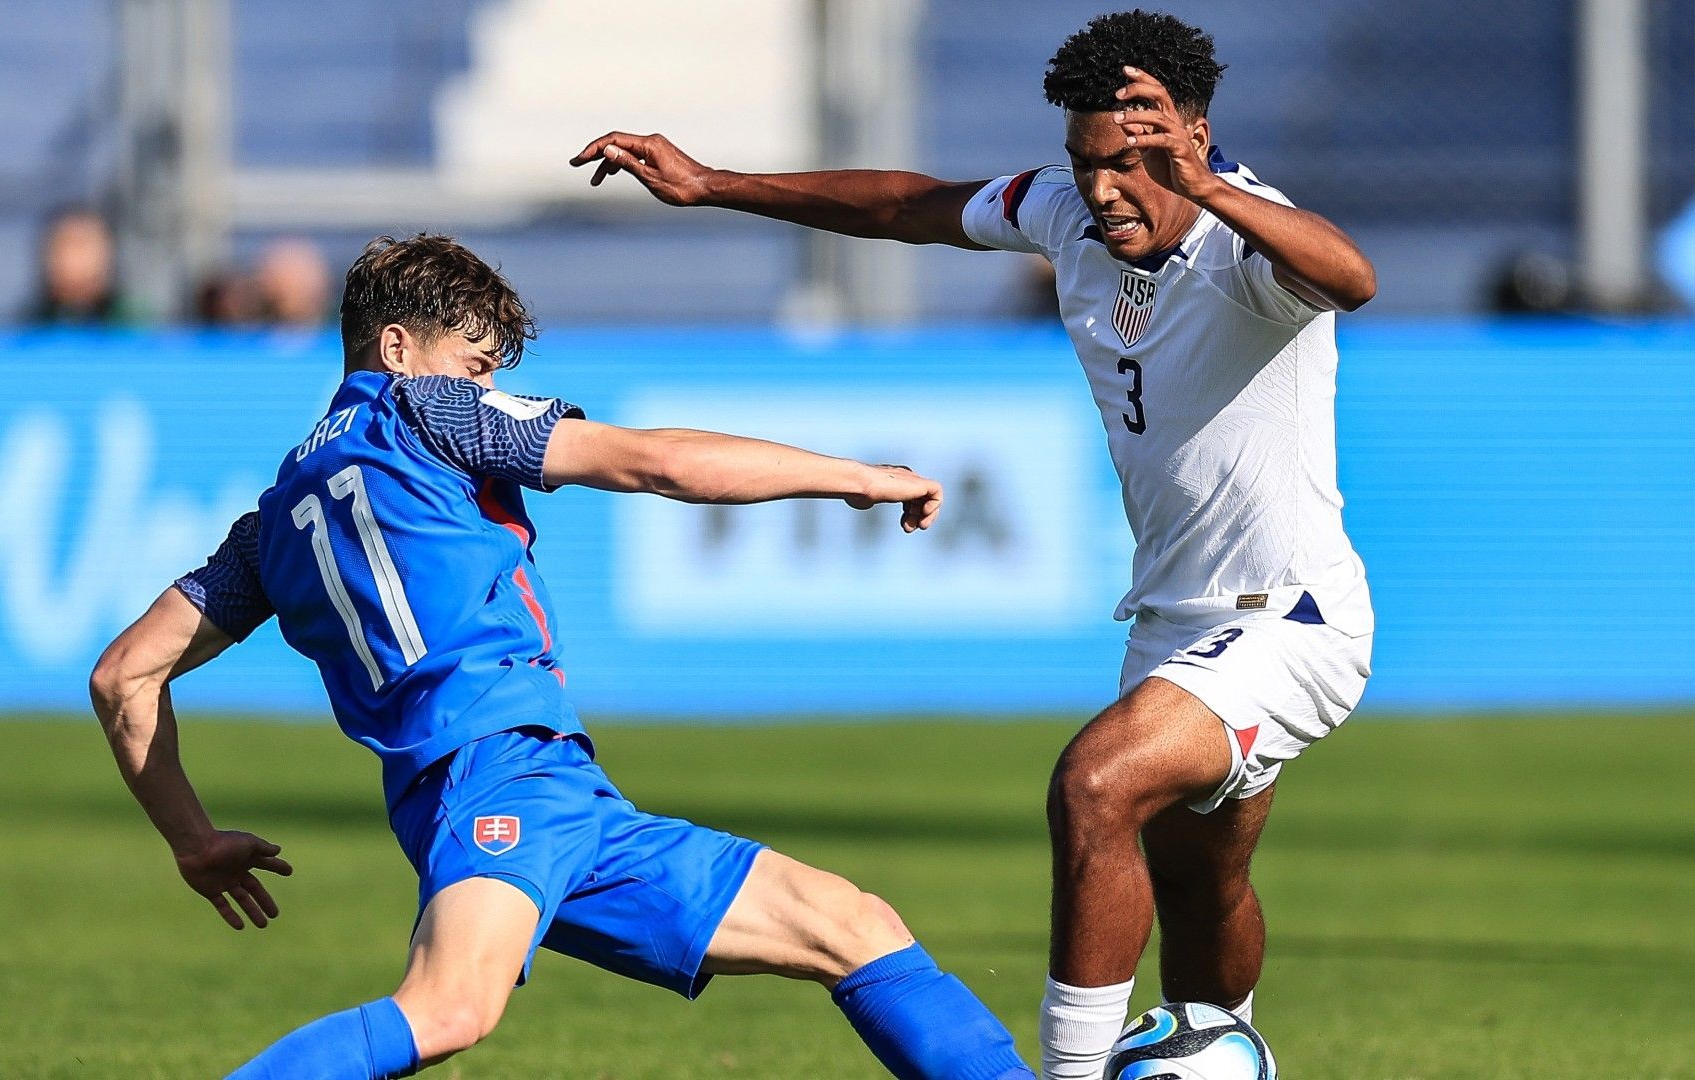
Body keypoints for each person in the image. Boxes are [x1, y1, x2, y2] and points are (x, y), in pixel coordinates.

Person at [571, 10, 1378, 1078]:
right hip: (1175, 618)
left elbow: (1353, 278)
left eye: (1135, 164)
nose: (1103, 190)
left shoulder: (1245, 240)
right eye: (1087, 162)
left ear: (1193, 133)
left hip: (1293, 619)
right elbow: (911, 206)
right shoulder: (1065, 217)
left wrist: (1213, 185)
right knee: (1200, 886)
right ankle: (1222, 1052)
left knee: (1095, 784)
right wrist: (717, 182)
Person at [89, 233, 1035, 1080]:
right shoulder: (429, 415)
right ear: (396, 351)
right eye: (473, 362)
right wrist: (855, 475)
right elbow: (655, 461)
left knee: (854, 927)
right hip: (495, 776)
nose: (479, 383)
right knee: (448, 1010)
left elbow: (125, 673)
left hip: (540, 792)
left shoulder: (268, 531)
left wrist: (191, 838)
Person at [22, 205, 142, 326]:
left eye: (85, 244)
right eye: (68, 243)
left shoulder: (136, 325)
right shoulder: (24, 328)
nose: (77, 257)